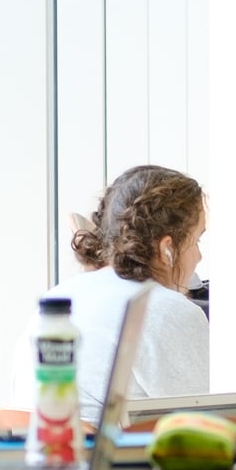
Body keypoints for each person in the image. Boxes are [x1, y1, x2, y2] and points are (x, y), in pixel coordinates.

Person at [69, 166, 211, 422]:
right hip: (121, 458)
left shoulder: (61, 296)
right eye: (196, 240)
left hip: (45, 456)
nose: (199, 256)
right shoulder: (168, 309)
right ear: (168, 248)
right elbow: (205, 420)